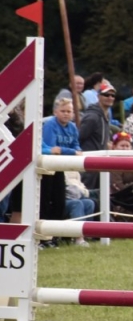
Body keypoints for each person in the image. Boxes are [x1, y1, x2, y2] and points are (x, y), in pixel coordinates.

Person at [40, 98, 93, 244]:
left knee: (59, 201)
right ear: (55, 112)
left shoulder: (72, 127)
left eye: (69, 111)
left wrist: (67, 151)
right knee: (45, 200)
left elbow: (77, 147)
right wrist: (69, 151)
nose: (66, 114)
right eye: (63, 111)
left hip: (60, 167)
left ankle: (54, 236)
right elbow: (51, 148)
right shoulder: (50, 124)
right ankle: (44, 238)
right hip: (46, 168)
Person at [78, 79, 117, 189]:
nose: (110, 98)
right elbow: (79, 137)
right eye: (106, 95)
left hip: (100, 161)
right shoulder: (92, 117)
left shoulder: (105, 115)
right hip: (89, 162)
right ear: (99, 96)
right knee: (88, 192)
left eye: (112, 95)